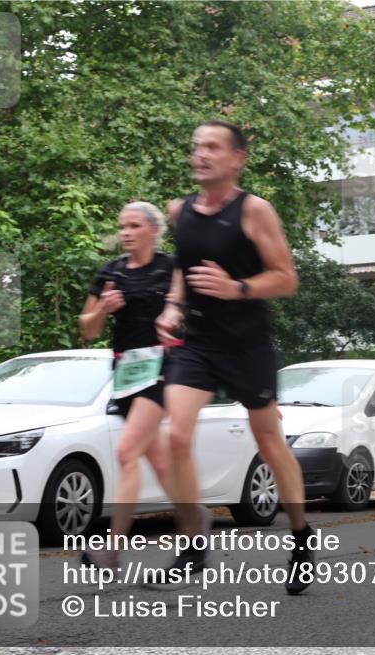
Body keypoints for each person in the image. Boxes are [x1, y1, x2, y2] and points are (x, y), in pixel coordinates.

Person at [155, 119, 315, 594]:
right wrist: (171, 306)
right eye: (196, 146)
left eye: (212, 147)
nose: (200, 154)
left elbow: (286, 278)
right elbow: (184, 269)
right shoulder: (179, 211)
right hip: (199, 343)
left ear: (237, 158)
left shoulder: (254, 211)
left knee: (268, 440)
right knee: (176, 435)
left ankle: (302, 536)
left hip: (247, 344)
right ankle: (192, 541)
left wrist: (236, 288)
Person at [78, 202, 186, 570]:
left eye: (134, 225)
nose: (125, 232)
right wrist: (103, 309)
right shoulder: (111, 272)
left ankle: (112, 547)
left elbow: (188, 305)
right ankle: (195, 521)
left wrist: (174, 317)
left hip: (163, 366)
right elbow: (87, 329)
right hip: (126, 372)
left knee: (127, 452)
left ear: (154, 230)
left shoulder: (170, 267)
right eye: (122, 226)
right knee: (155, 460)